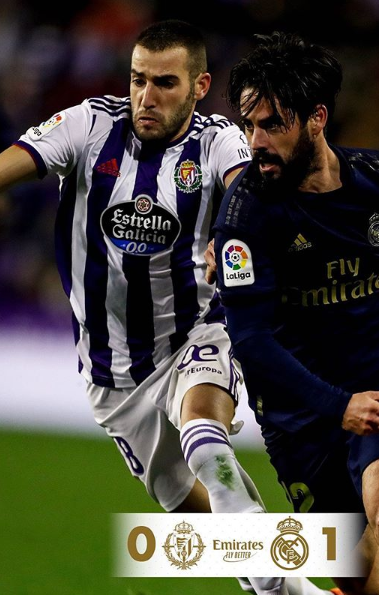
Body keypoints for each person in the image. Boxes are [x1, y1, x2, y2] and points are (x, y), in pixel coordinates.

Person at [0, 20, 340, 595]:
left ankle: (276, 585)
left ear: (199, 86)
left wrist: (234, 233)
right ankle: (292, 588)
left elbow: (249, 190)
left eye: (164, 83)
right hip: (112, 373)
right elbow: (10, 163)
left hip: (196, 336)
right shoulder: (88, 126)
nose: (146, 97)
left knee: (205, 432)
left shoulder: (217, 141)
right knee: (198, 515)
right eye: (138, 80)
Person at [210, 31, 379, 595]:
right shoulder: (245, 218)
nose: (256, 142)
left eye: (272, 125)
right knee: (360, 579)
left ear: (317, 119)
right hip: (300, 414)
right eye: (249, 126)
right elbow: (251, 340)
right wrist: (336, 406)